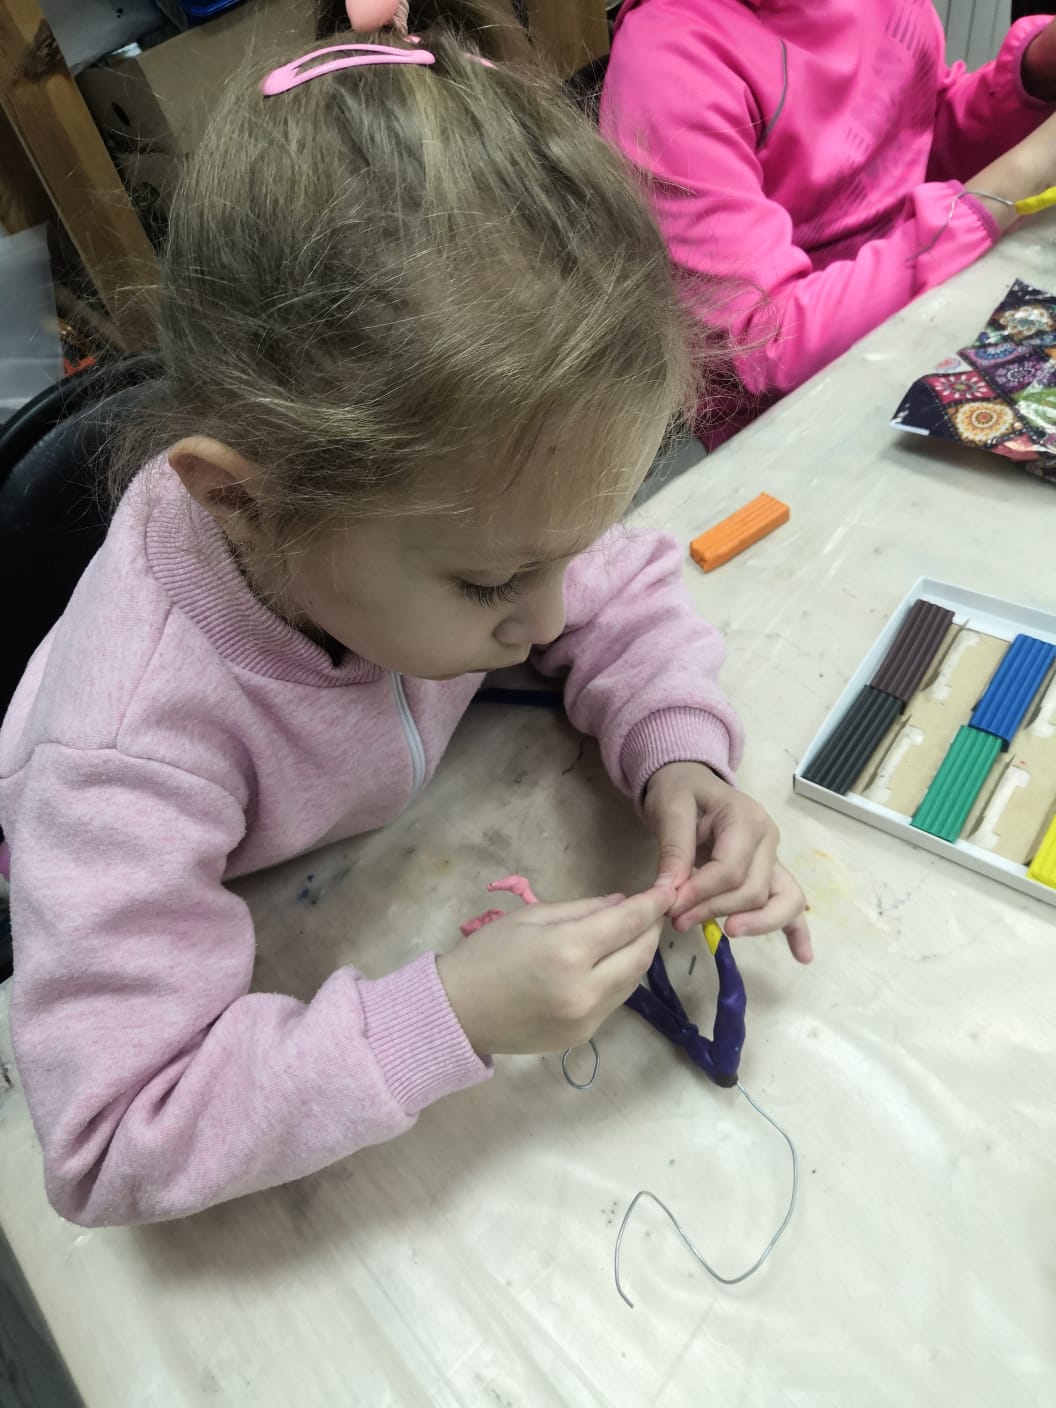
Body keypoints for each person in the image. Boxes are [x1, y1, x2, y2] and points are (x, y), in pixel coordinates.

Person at [0, 0, 810, 1228]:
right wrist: (450, 1013)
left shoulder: (456, 510)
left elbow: (619, 587)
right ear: (248, 502)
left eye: (562, 553)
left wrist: (679, 752)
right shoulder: (126, 751)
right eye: (491, 585)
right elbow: (110, 1135)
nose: (549, 616)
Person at [600, 0, 1056, 443]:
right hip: (792, 423)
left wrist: (1040, 69)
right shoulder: (670, 62)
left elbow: (917, 143)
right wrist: (1022, 173)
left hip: (925, 311)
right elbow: (764, 346)